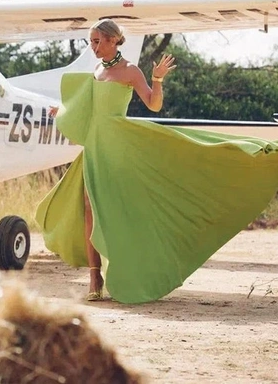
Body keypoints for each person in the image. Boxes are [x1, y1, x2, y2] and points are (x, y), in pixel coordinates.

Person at [37, 18, 278, 304]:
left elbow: (153, 104)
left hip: (121, 147)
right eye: (91, 41)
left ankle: (138, 267)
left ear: (114, 40)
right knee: (89, 207)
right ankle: (94, 276)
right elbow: (86, 107)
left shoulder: (130, 71)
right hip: (95, 146)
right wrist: (61, 110)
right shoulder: (98, 70)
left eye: (98, 41)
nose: (94, 47)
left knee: (119, 209)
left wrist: (158, 79)